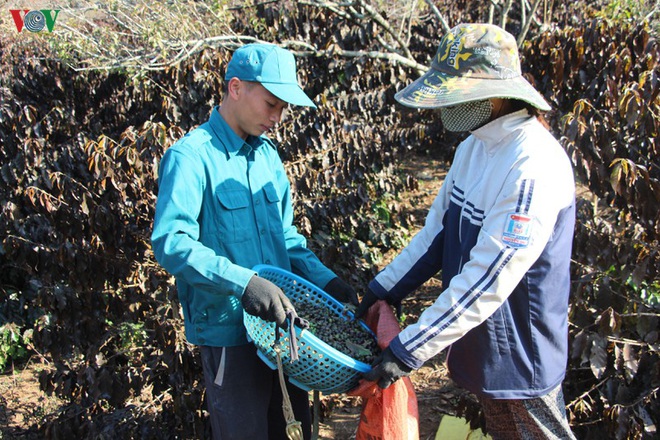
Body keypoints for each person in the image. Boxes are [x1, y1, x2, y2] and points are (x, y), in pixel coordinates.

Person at [354, 23, 577, 439]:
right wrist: (385, 287)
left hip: (521, 355)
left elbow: (488, 280)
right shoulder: (473, 148)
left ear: (493, 94)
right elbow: (437, 234)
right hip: (483, 347)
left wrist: (409, 349)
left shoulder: (532, 166)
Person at [151, 42, 358, 440]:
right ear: (235, 88)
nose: (277, 118)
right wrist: (244, 283)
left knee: (293, 431)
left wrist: (327, 280)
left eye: (283, 108)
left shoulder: (267, 156)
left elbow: (286, 236)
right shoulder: (190, 157)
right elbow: (172, 242)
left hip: (285, 333)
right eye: (271, 104)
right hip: (230, 334)